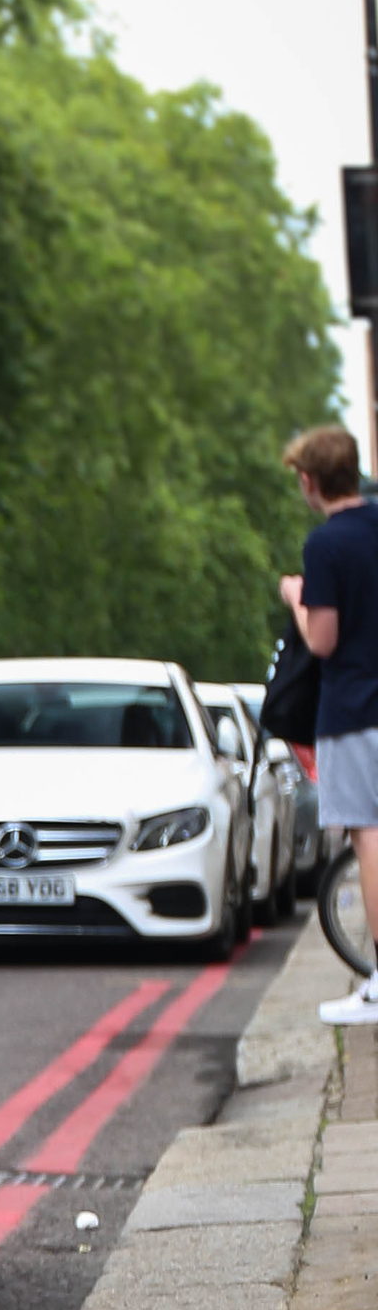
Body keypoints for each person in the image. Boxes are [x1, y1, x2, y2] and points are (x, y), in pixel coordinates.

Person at [280, 423, 378, 1024]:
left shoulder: (326, 545)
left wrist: (295, 596)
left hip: (354, 709)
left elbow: (322, 639)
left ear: (310, 481)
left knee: (368, 838)